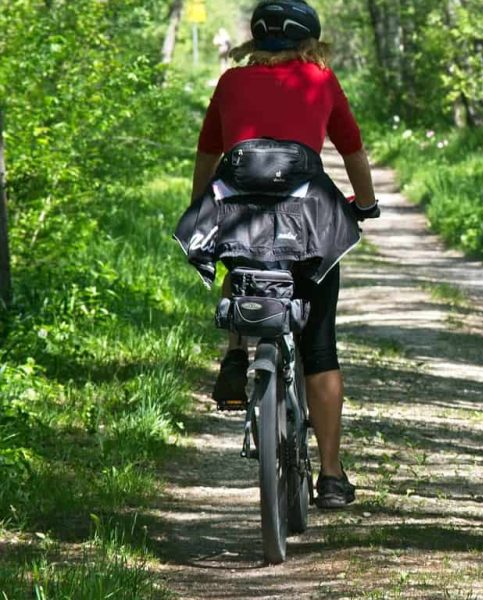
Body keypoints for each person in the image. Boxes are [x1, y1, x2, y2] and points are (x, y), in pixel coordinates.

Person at [190, 0, 380, 509]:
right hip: (308, 219)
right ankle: (333, 476)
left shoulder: (231, 82)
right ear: (307, 41)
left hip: (239, 210)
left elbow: (209, 155)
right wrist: (366, 205)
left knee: (239, 255)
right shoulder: (320, 78)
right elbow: (352, 150)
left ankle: (235, 350)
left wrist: (200, 207)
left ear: (255, 41)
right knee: (320, 346)